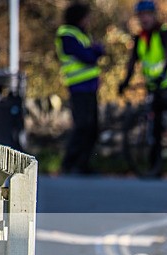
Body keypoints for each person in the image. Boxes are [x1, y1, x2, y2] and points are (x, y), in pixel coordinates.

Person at [118, 0, 167, 167]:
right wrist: (125, 82)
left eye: (147, 15)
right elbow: (132, 62)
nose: (144, 19)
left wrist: (162, 75)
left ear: (153, 15)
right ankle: (155, 163)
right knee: (155, 121)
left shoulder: (164, 33)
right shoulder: (139, 39)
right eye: (141, 16)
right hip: (154, 85)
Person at [55, 2, 104, 174]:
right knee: (82, 125)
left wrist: (95, 50)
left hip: (90, 87)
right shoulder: (67, 35)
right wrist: (94, 51)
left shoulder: (82, 34)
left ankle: (83, 164)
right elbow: (87, 56)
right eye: (86, 17)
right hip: (78, 87)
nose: (88, 20)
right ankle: (69, 163)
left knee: (92, 127)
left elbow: (96, 50)